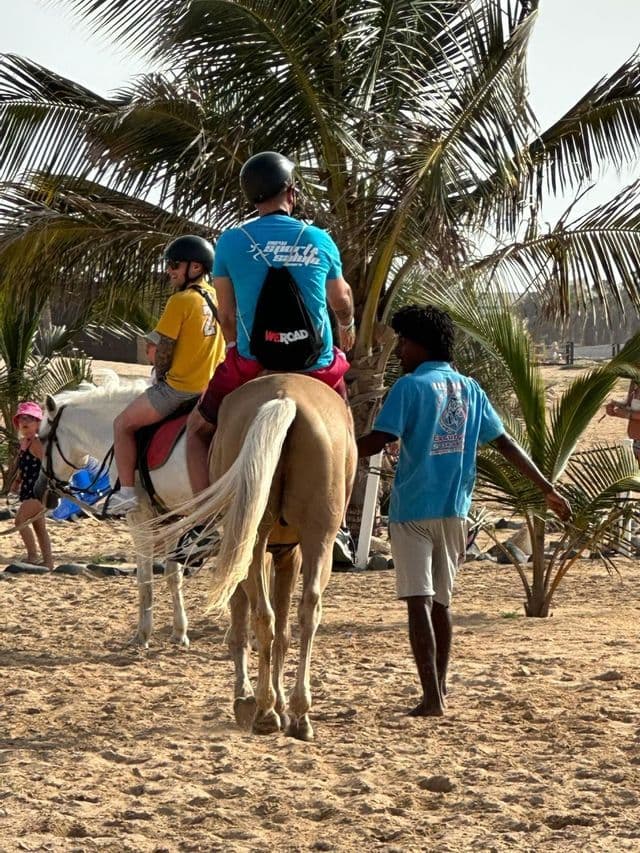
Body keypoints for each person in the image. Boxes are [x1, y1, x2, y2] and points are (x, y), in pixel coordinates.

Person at [357, 304, 572, 718]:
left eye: (403, 342)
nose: (400, 351)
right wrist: (546, 489)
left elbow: (381, 437)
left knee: (417, 601)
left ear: (421, 343)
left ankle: (431, 699)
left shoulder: (410, 387)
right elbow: (507, 444)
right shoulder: (470, 388)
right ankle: (438, 692)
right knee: (441, 603)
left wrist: (338, 452)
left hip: (412, 510)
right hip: (456, 509)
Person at [186, 151, 356, 494]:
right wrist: (346, 327)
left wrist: (235, 349)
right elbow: (342, 300)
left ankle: (203, 520)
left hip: (252, 362)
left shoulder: (232, 242)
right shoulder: (319, 239)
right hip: (316, 364)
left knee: (195, 432)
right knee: (346, 431)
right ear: (291, 192)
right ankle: (339, 525)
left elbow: (227, 315)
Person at [108, 235, 225, 514]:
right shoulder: (220, 296)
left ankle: (125, 492)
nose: (169, 270)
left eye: (174, 264)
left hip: (181, 389)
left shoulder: (181, 301)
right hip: (215, 389)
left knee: (122, 424)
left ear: (195, 268)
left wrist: (159, 375)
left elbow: (160, 349)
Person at [9, 401, 54, 568]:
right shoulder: (25, 443)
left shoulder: (36, 442)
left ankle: (33, 556)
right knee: (39, 527)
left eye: (29, 419)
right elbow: (24, 466)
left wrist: (48, 488)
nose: (24, 422)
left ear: (38, 423)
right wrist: (16, 481)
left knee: (20, 520)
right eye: (21, 419)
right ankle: (48, 562)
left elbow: (48, 466)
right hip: (28, 488)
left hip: (39, 489)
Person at [605, 381, 640, 465]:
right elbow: (628, 404)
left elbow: (631, 413)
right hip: (635, 440)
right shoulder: (635, 380)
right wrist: (614, 408)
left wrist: (627, 414)